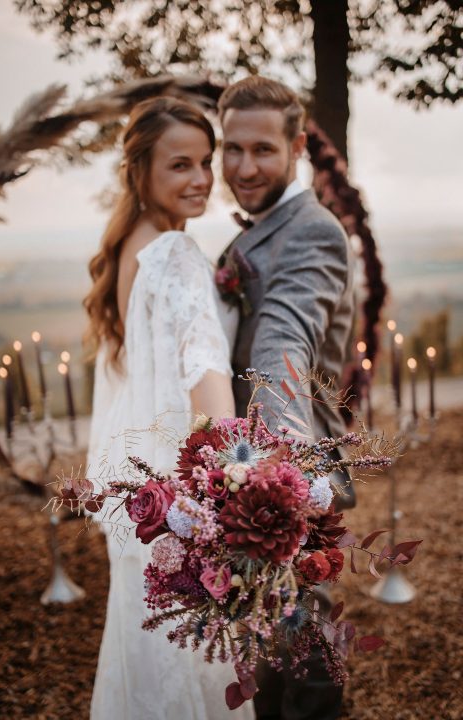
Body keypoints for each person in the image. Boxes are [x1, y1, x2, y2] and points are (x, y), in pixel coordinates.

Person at [84, 96, 253, 720]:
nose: (203, 178)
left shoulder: (132, 243)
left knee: (150, 661)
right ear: (140, 173)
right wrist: (234, 480)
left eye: (206, 162)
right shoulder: (177, 253)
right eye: (180, 164)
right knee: (192, 667)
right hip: (183, 498)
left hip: (140, 495)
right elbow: (205, 368)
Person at [218, 76, 356, 720]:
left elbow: (284, 340)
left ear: (297, 147)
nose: (245, 167)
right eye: (232, 148)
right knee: (272, 643)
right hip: (250, 466)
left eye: (263, 150)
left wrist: (280, 467)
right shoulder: (264, 228)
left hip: (287, 467)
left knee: (302, 646)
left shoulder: (311, 232)